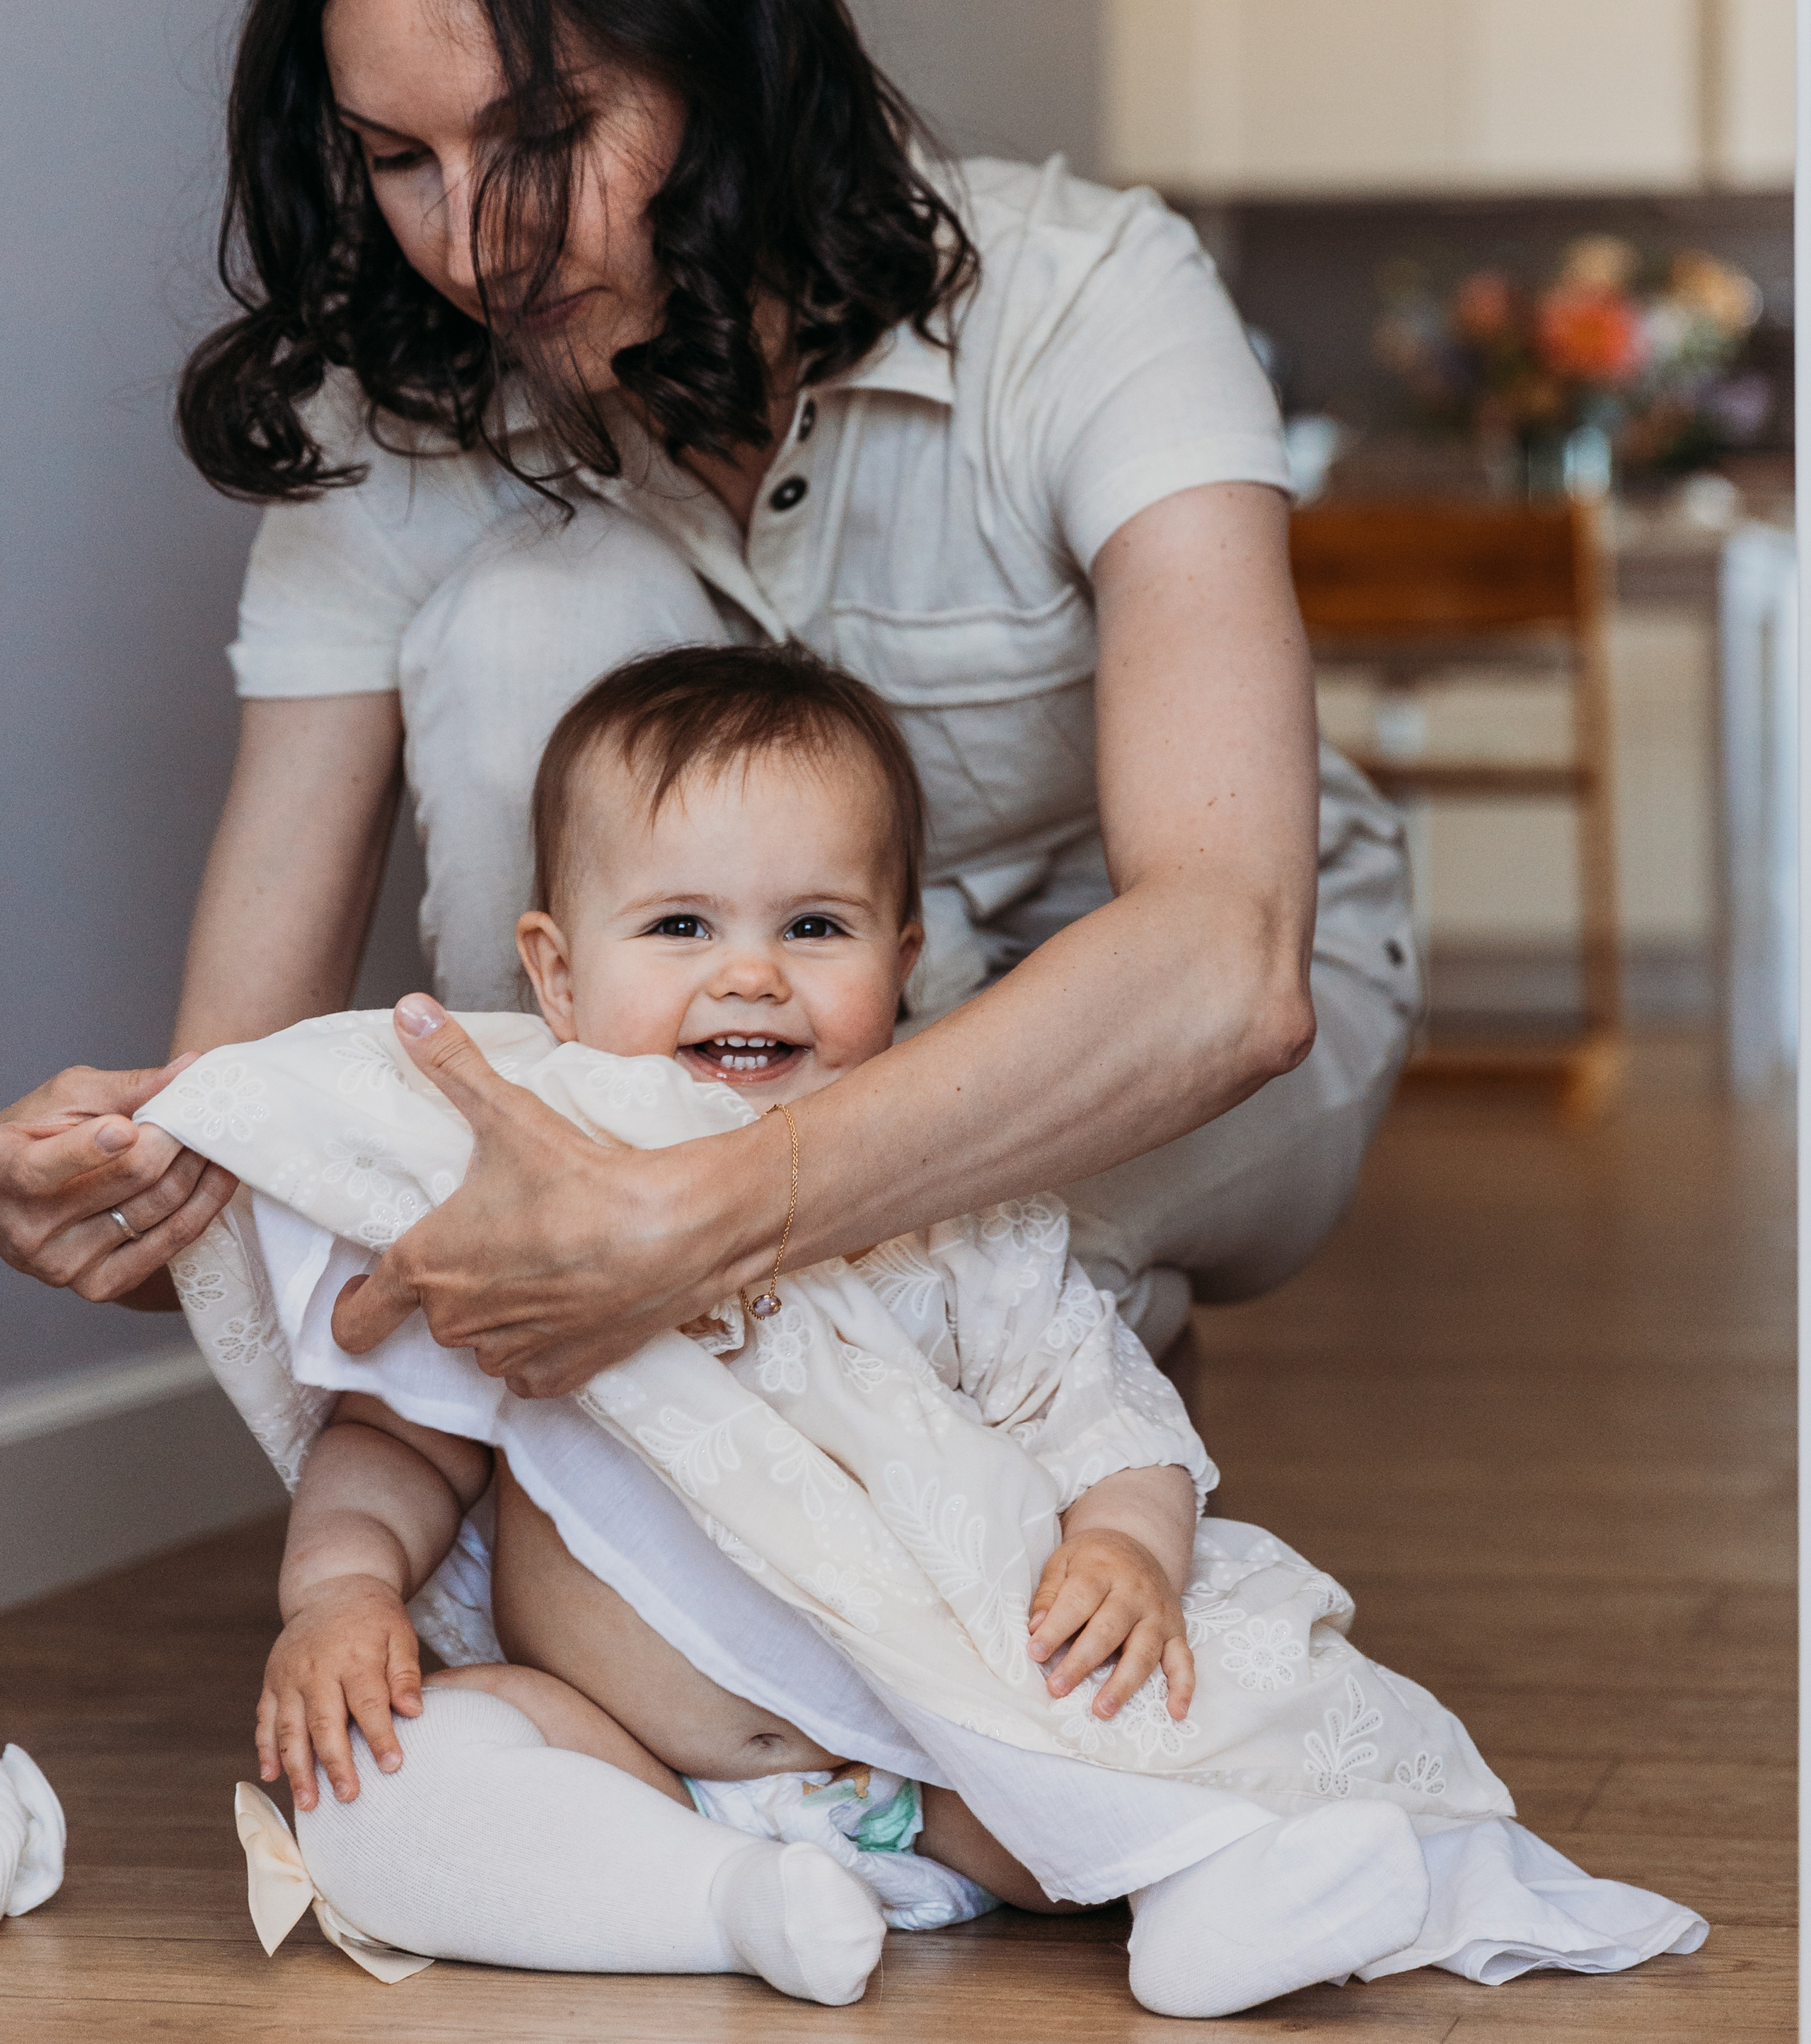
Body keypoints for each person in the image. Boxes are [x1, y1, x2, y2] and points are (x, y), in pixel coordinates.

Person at [0, 0, 1419, 1388]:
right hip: (711, 1066)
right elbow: (239, 1085)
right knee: (531, 616)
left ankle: (1031, 1380)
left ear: (720, 63)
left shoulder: (1090, 300)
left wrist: (704, 1213)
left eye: (543, 137)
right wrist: (141, 1187)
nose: (476, 246)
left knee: (962, 1270)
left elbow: (1226, 971)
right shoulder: (386, 415)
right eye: (397, 159)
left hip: (1176, 990)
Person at [145, 645, 1703, 2017]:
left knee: (1117, 1738)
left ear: (902, 966)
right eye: (679, 923)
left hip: (927, 1764)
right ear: (553, 973)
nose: (749, 973)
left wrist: (1124, 1547)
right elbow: (397, 1440)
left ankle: (1209, 1900)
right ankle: (722, 1909)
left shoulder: (948, 1214)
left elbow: (1104, 1416)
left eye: (814, 926)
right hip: (625, 1754)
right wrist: (338, 1597)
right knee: (379, 1782)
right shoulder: (518, 1196)